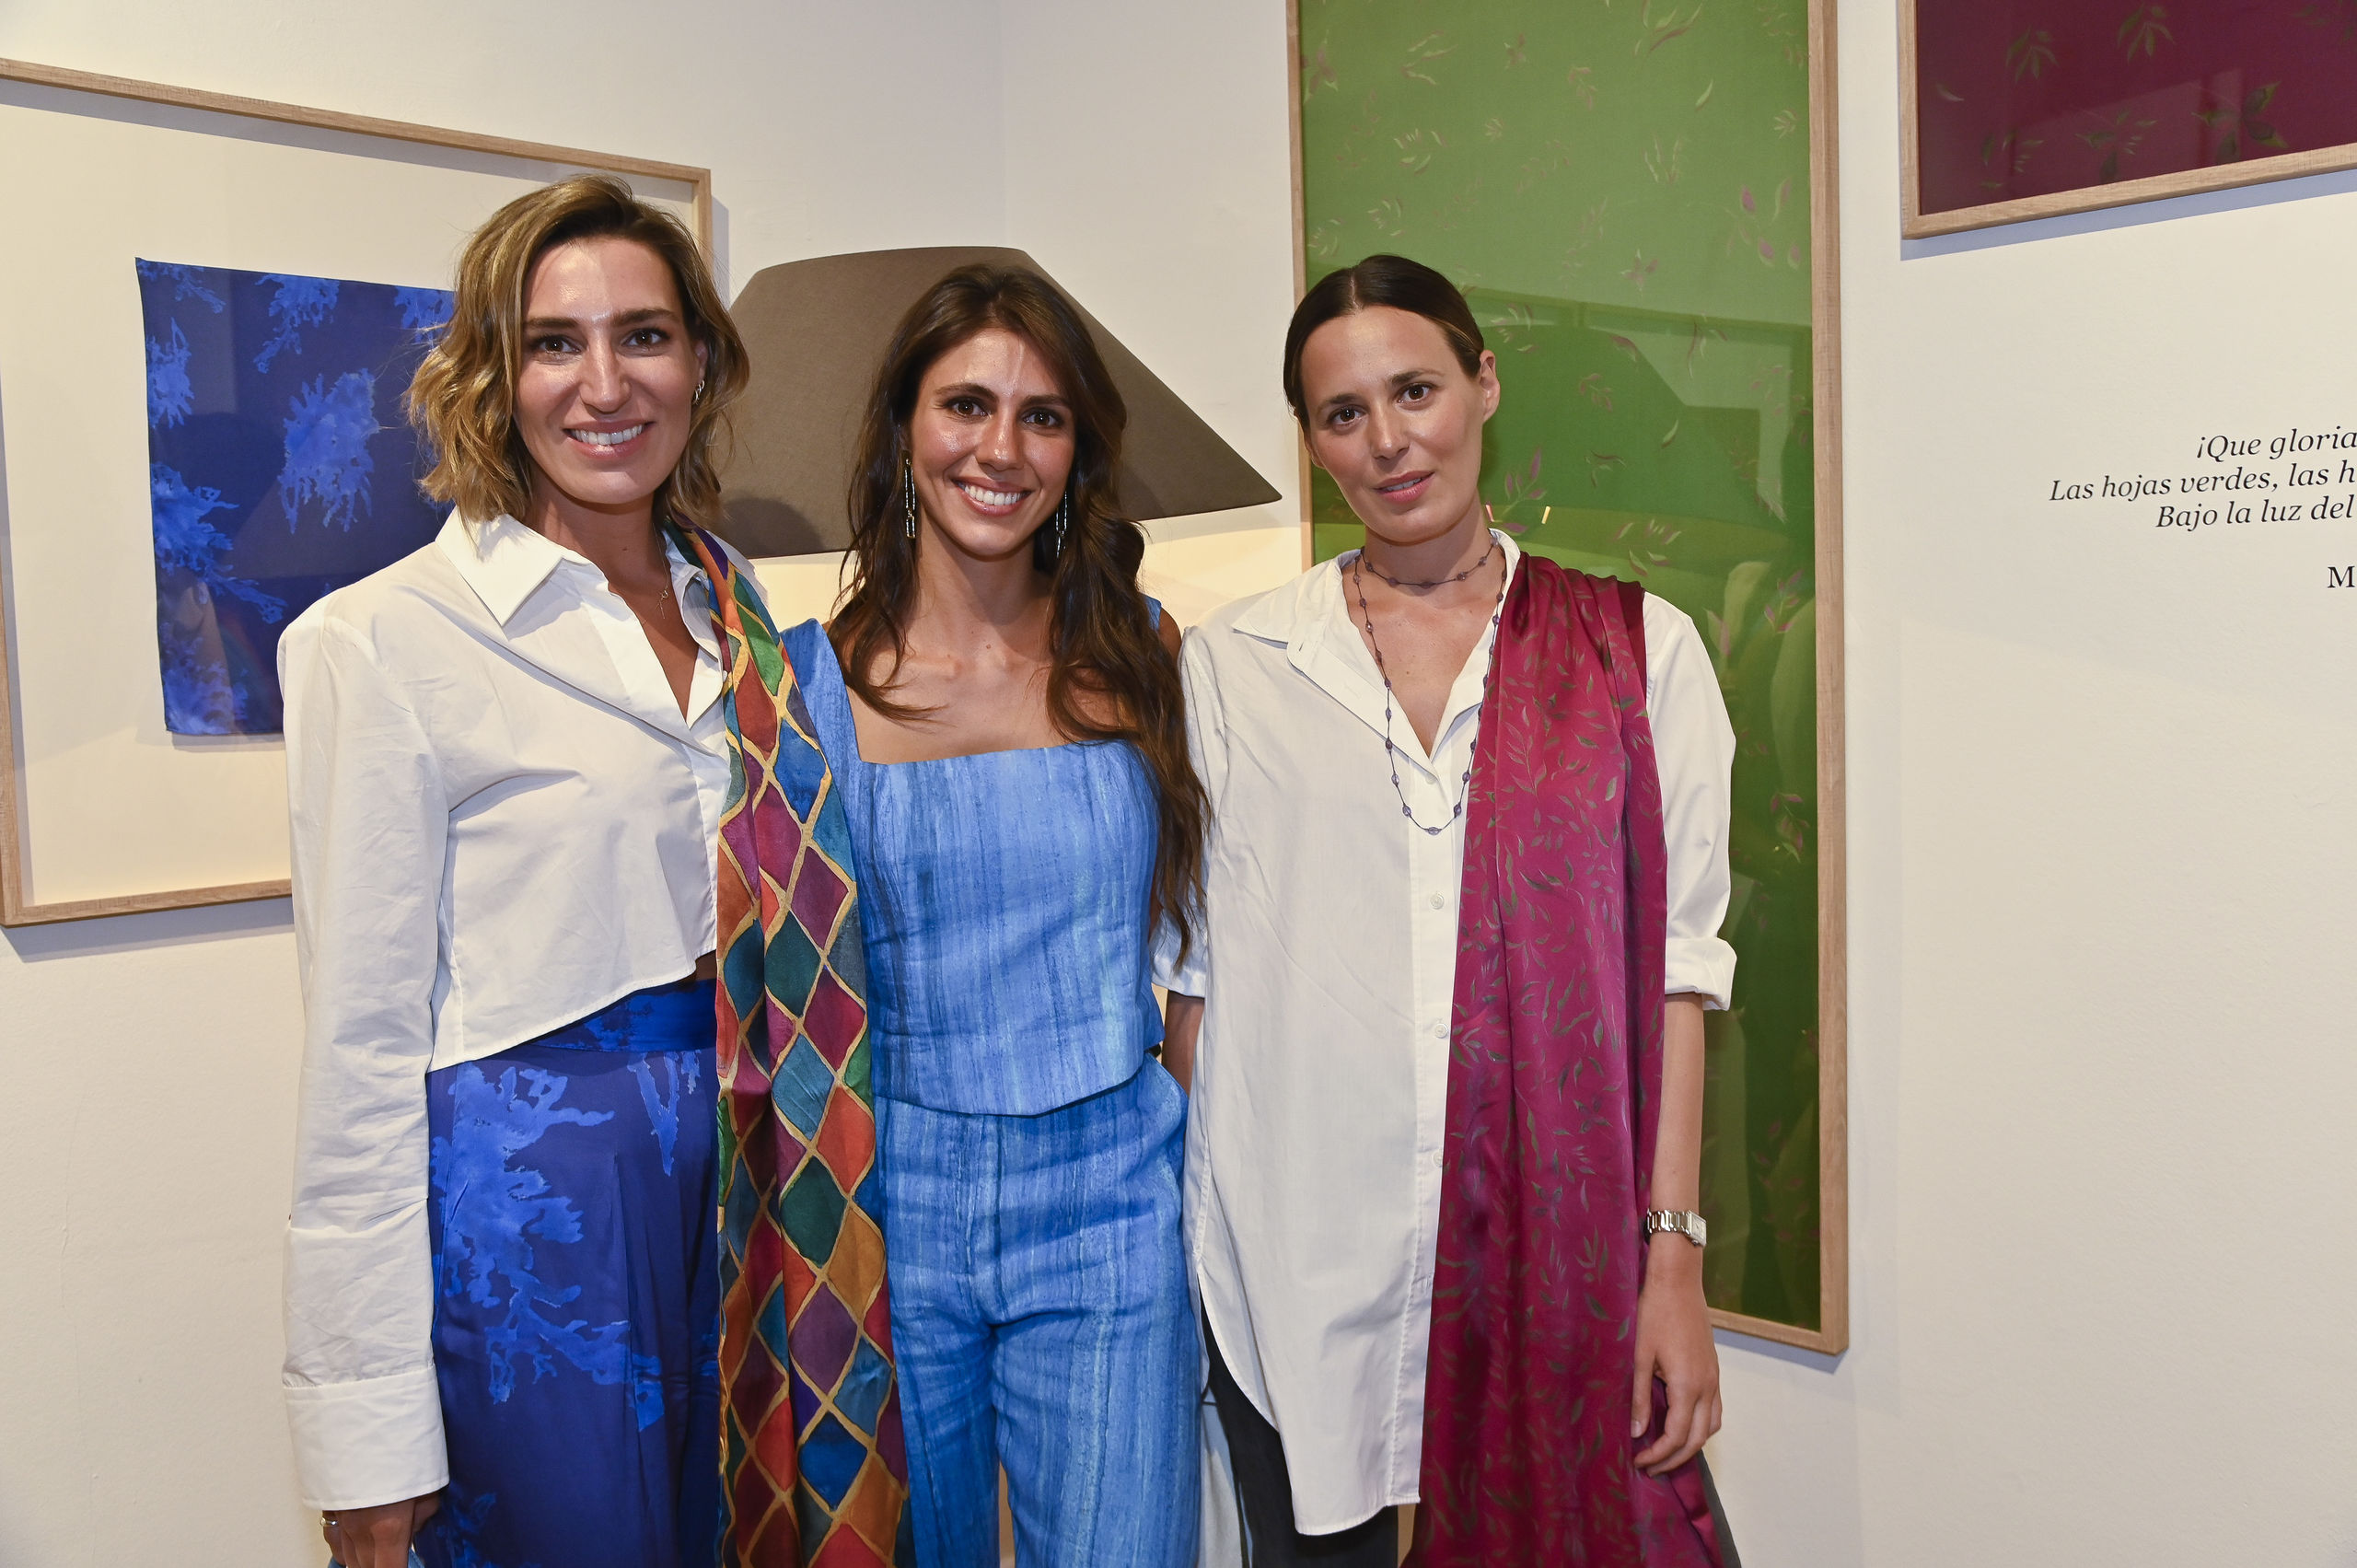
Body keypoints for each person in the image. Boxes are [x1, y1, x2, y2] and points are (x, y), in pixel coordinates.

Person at [279, 176, 888, 1568]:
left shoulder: (739, 609)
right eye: (554, 343)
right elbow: (359, 1058)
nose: (605, 385)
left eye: (644, 337)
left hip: (757, 1179)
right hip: (537, 1215)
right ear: (491, 378)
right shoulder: (379, 641)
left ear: (701, 364)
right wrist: (364, 1428)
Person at [1162, 253, 1737, 1567]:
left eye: (1414, 390)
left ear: (1483, 384)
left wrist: (1672, 1265)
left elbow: (1674, 983)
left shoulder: (1636, 653)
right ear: (1311, 442)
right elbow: (1195, 988)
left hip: (1550, 1263)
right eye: (1343, 413)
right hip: (1297, 1269)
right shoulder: (1235, 667)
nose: (1387, 440)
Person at [778, 261, 1204, 1568]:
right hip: (891, 1207)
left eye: (1042, 416)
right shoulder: (804, 686)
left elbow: (1202, 943)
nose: (1001, 448)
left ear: (1078, 454)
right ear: (906, 429)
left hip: (1113, 1193)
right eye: (967, 405)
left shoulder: (1145, 654)